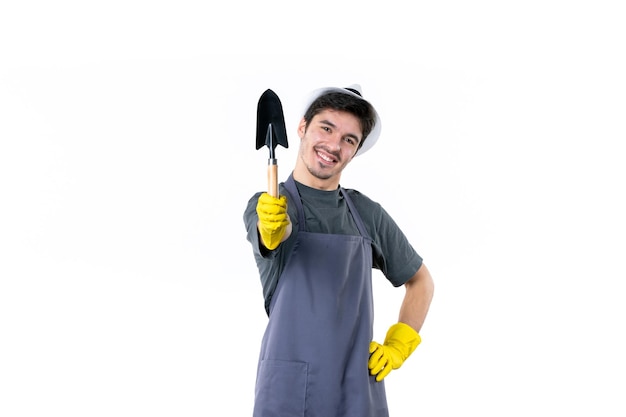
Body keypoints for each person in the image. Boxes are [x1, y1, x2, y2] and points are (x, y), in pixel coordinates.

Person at [243, 84, 434, 417]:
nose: (333, 145)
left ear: (355, 150)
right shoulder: (269, 207)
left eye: (349, 139)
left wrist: (399, 343)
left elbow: (421, 281)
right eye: (326, 128)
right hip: (288, 389)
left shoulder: (366, 213)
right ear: (302, 127)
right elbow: (273, 234)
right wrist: (272, 231)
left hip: (357, 385)